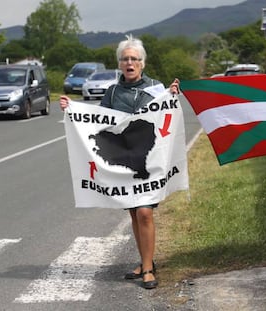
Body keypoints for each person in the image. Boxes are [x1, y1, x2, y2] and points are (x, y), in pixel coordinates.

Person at [60, 35, 180, 290]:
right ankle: (145, 260)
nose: (129, 62)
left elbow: (166, 113)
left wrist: (172, 93)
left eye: (134, 59)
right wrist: (71, 107)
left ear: (142, 63)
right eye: (125, 59)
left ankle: (148, 269)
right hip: (123, 162)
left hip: (148, 160)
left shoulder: (156, 88)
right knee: (134, 213)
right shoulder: (112, 92)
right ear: (120, 63)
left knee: (145, 212)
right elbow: (97, 120)